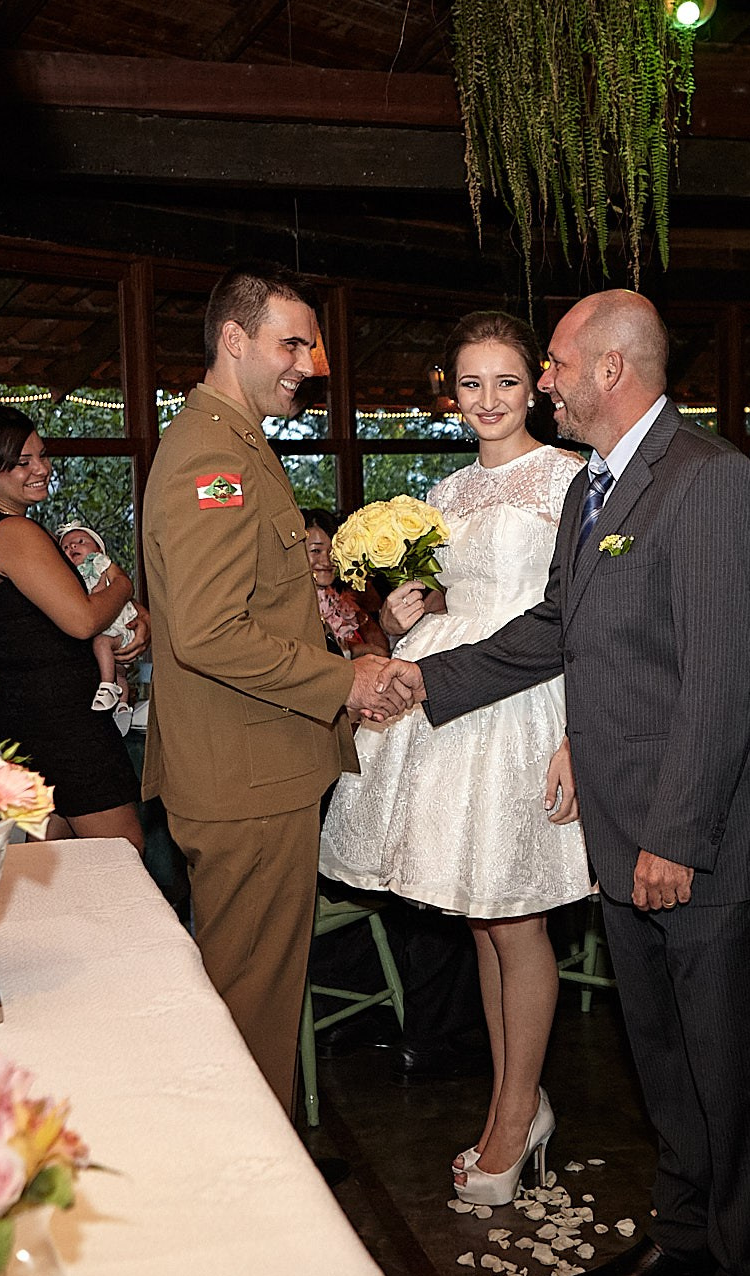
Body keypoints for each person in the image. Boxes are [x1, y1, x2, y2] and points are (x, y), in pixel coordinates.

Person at [385, 290, 750, 1276]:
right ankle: (681, 1234)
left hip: (695, 838)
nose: (547, 383)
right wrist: (417, 678)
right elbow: (551, 632)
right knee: (660, 1055)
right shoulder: (601, 489)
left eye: (560, 365)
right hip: (623, 833)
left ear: (612, 369)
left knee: (729, 1064)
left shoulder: (705, 481)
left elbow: (724, 682)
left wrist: (673, 836)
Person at [321, 310, 590, 1204]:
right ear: (453, 391)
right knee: (481, 914)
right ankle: (514, 1100)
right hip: (448, 710)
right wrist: (404, 615)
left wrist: (576, 734)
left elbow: (583, 621)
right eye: (471, 383)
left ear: (537, 386)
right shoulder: (442, 493)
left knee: (517, 918)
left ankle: (516, 1117)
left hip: (524, 708)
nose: (488, 400)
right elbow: (443, 598)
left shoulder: (572, 481)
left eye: (506, 381)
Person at [140, 262, 412, 1116]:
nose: (310, 362)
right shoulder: (211, 457)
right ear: (234, 339)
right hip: (244, 780)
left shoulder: (238, 443)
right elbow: (210, 632)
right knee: (251, 1012)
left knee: (258, 995)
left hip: (252, 767)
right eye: (292, 342)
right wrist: (345, 675)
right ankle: (259, 1196)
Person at [0, 405, 146, 848]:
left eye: (42, 455)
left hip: (32, 709)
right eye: (23, 463)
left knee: (54, 860)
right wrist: (122, 583)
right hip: (62, 716)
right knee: (120, 858)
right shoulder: (14, 533)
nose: (42, 469)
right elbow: (82, 620)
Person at [54, 521, 141, 724]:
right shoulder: (69, 577)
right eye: (65, 547)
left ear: (98, 548)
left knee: (102, 643)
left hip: (118, 625)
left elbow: (122, 583)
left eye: (80, 542)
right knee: (118, 672)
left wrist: (102, 586)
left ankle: (107, 687)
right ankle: (122, 705)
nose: (72, 547)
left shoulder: (100, 564)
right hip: (102, 630)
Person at [300, 507, 390, 658]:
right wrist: (357, 649)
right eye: (316, 551)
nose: (327, 561)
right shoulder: (293, 605)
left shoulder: (341, 599)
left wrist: (361, 616)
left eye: (332, 551)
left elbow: (382, 647)